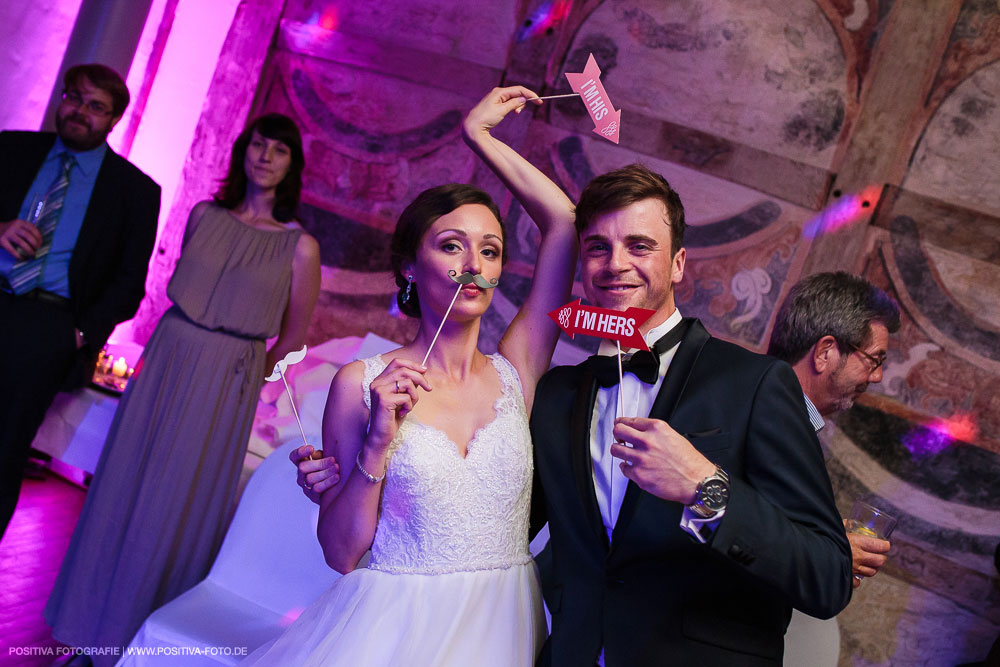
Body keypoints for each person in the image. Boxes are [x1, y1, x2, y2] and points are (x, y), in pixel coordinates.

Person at [246, 87, 577, 666]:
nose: (474, 265)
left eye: (491, 251)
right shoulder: (360, 383)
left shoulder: (517, 369)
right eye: (453, 246)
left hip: (504, 627)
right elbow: (342, 553)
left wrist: (480, 136)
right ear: (408, 266)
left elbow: (565, 224)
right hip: (395, 634)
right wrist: (377, 440)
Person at [526, 164, 853, 665]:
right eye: (598, 247)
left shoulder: (755, 384)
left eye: (639, 246)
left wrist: (706, 487)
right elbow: (504, 527)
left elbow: (827, 577)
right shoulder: (558, 394)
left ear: (678, 264)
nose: (615, 264)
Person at [44, 112, 321, 665]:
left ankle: (142, 641)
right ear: (244, 151)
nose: (265, 156)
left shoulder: (299, 247)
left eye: (279, 150)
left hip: (229, 372)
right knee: (123, 486)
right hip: (169, 353)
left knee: (177, 502)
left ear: (292, 166)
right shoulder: (204, 214)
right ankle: (85, 636)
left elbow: (292, 336)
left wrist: (244, 373)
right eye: (258, 145)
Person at [0, 63, 160, 542]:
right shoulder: (9, 148)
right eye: (74, 97)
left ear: (113, 120)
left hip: (48, 326)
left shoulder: (134, 191)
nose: (79, 111)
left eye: (96, 107)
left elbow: (130, 283)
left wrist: (80, 334)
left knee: (6, 449)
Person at [767, 271, 901, 666]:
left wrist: (826, 533)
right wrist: (830, 550)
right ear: (826, 351)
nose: (876, 377)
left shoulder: (792, 421)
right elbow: (734, 523)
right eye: (874, 360)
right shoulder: (769, 418)